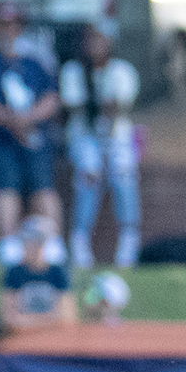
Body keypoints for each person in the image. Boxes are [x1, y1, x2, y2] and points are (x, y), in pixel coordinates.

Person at [0, 2, 62, 246]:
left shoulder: (34, 64)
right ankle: (9, 248)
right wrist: (9, 120)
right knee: (5, 179)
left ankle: (52, 250)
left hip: (32, 138)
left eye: (11, 24)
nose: (6, 30)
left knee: (42, 184)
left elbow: (51, 99)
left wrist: (28, 119)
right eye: (1, 25)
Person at [60, 22, 141, 269]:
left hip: (117, 138)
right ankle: (80, 240)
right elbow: (77, 109)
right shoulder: (74, 71)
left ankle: (129, 241)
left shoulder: (121, 71)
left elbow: (119, 109)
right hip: (85, 137)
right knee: (89, 171)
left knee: (123, 173)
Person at [0, 216, 76, 332]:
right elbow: (9, 317)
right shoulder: (14, 273)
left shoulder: (57, 272)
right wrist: (48, 320)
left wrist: (27, 322)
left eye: (33, 242)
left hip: (54, 340)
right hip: (23, 341)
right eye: (25, 241)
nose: (27, 246)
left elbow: (68, 317)